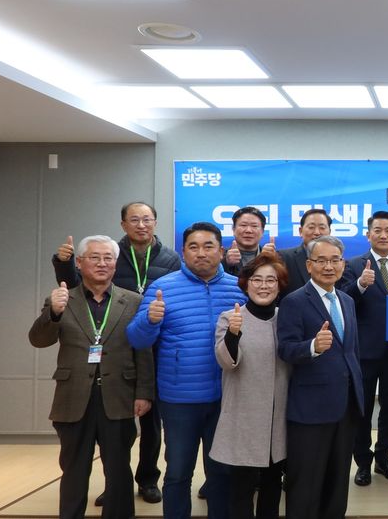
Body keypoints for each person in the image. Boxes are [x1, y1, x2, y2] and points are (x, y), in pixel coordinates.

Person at [52, 202, 178, 506]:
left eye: (147, 219)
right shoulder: (110, 254)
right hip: (114, 344)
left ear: (155, 222)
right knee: (112, 431)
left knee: (151, 421)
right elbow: (78, 287)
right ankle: (115, 486)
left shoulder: (170, 258)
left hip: (154, 344)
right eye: (134, 219)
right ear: (123, 224)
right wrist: (62, 264)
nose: (141, 225)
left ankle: (147, 479)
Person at [29, 235, 154, 519]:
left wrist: (144, 392)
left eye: (108, 258)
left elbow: (143, 350)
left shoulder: (133, 301)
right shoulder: (62, 298)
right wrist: (54, 313)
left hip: (119, 397)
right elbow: (39, 340)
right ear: (79, 263)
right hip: (73, 398)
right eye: (94, 257)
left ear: (115, 264)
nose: (102, 263)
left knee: (119, 470)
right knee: (73, 469)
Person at [126, 221, 246, 519]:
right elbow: (137, 340)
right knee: (178, 472)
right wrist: (149, 320)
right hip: (179, 400)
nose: (201, 253)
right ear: (183, 252)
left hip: (226, 399)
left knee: (221, 473)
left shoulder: (239, 288)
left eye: (208, 246)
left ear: (221, 251)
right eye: (193, 247)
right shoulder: (163, 288)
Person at [277, 235, 364, 519]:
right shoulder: (294, 301)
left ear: (343, 264)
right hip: (310, 409)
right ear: (309, 265)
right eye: (322, 260)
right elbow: (285, 349)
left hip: (346, 405)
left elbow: (351, 351)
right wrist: (313, 347)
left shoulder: (347, 300)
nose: (329, 266)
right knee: (306, 482)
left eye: (335, 260)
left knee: (337, 481)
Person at [210, 253, 290, 519]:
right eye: (257, 279)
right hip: (243, 418)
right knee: (241, 491)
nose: (263, 286)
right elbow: (226, 362)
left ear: (279, 285)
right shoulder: (230, 318)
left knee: (272, 487)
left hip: (278, 420)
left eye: (271, 280)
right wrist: (233, 334)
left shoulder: (286, 318)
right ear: (246, 284)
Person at [337, 211, 388, 487]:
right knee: (363, 409)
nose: (383, 235)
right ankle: (362, 462)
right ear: (368, 235)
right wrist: (360, 285)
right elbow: (342, 300)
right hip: (364, 352)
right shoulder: (354, 265)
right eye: (377, 230)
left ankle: (383, 457)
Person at [279, 208, 332, 294]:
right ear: (300, 231)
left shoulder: (337, 261)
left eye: (322, 228)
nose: (317, 232)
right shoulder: (284, 258)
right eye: (311, 227)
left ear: (329, 232)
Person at [224, 206, 276, 276]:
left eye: (254, 226)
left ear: (262, 231)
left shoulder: (272, 257)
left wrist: (273, 262)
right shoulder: (220, 258)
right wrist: (226, 264)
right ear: (233, 229)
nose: (248, 230)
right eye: (243, 225)